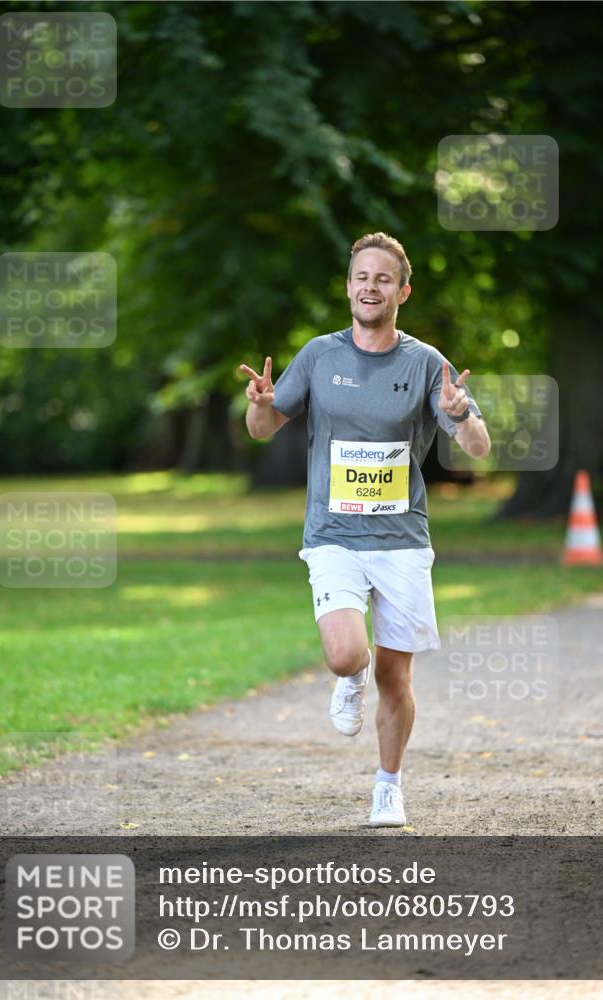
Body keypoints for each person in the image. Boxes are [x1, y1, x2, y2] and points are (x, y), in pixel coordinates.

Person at [239, 232, 490, 827]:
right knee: (348, 654)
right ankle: (348, 680)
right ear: (348, 287)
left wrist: (459, 414)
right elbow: (263, 426)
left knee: (396, 675)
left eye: (383, 278)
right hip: (333, 535)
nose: (369, 287)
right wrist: (258, 402)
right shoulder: (320, 356)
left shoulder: (428, 363)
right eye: (360, 277)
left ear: (402, 290)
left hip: (402, 542)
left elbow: (477, 446)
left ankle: (388, 786)